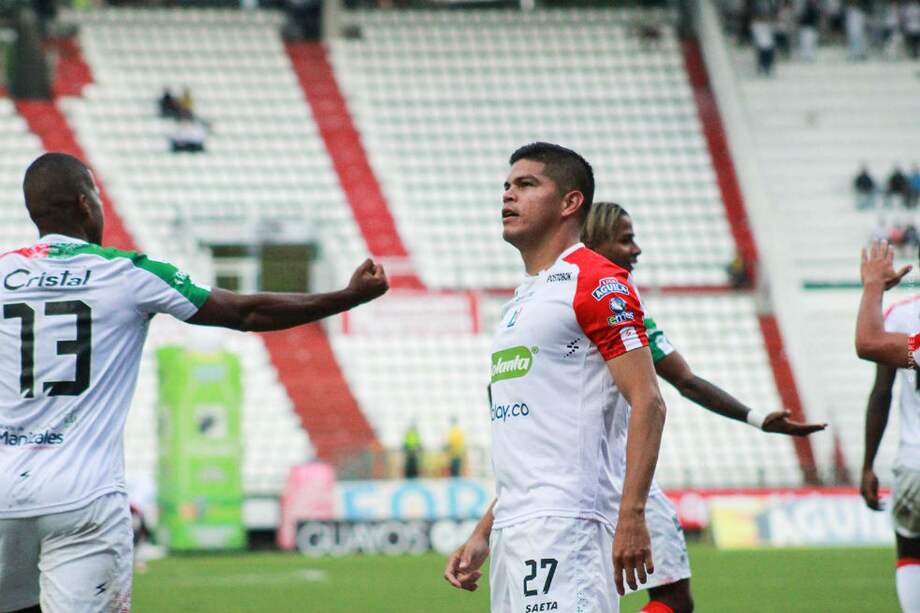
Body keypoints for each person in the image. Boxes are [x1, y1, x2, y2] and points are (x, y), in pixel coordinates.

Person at [0, 152, 389, 612]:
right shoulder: (128, 273)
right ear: (86, 206)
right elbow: (245, 312)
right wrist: (347, 297)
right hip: (83, 497)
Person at [444, 143, 667, 612]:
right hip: (515, 529)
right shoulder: (522, 300)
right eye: (506, 186)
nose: (508, 195)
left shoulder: (596, 279)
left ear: (570, 203)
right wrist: (485, 531)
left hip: (569, 524)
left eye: (526, 185)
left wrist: (631, 516)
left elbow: (649, 400)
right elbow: (529, 438)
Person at [581, 201, 826, 613]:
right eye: (626, 240)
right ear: (593, 244)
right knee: (672, 598)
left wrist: (755, 418)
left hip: (572, 477)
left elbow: (687, 379)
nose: (637, 249)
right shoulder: (613, 303)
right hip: (614, 477)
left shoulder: (557, 301)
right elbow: (680, 384)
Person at [855, 240, 920, 613]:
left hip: (914, 463)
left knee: (911, 550)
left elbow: (870, 347)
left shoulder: (902, 316)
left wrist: (873, 287)